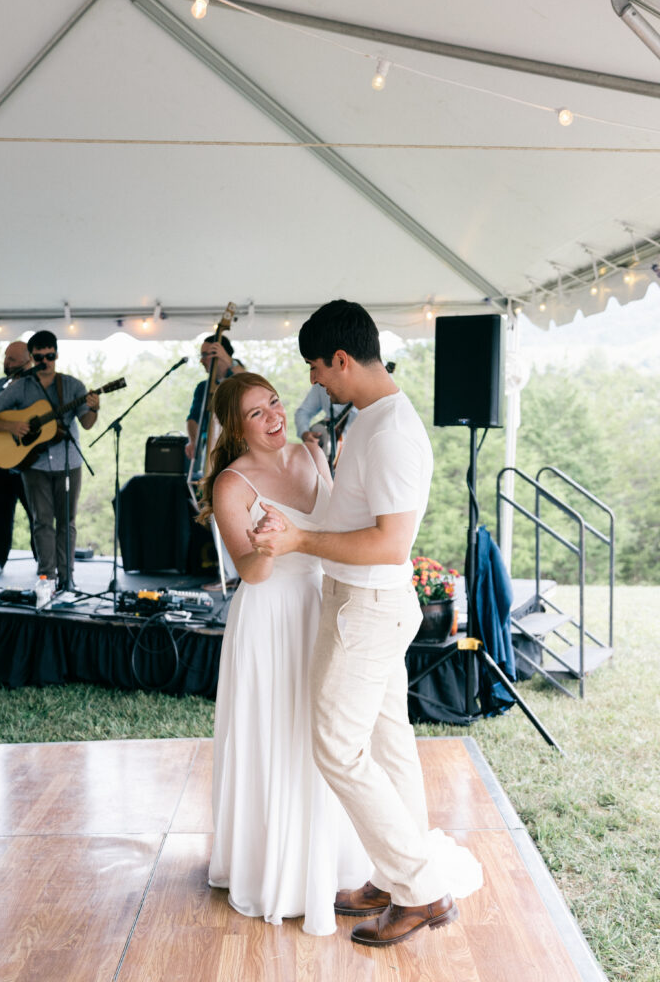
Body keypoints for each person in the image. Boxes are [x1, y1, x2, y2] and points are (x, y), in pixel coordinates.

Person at [251, 300, 482, 948]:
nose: (313, 381)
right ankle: (393, 875)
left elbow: (389, 544)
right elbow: (355, 518)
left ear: (342, 359)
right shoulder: (372, 419)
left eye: (317, 368)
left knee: (337, 748)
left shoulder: (392, 433)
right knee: (388, 746)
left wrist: (299, 541)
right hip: (367, 605)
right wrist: (300, 524)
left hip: (367, 608)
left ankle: (420, 891)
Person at [198, 371, 372, 935]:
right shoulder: (231, 486)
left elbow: (337, 529)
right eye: (257, 413)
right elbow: (249, 571)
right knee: (278, 732)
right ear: (237, 428)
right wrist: (269, 544)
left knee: (328, 732)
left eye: (274, 403)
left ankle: (334, 860)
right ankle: (277, 870)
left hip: (322, 603)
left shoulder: (311, 454)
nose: (274, 416)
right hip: (270, 618)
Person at [0, 330, 100, 590]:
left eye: (50, 356)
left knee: (66, 522)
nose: (45, 361)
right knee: (41, 522)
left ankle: (67, 579)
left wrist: (94, 407)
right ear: (32, 358)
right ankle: (46, 578)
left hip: (68, 463)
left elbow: (87, 423)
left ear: (57, 355)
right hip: (33, 464)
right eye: (40, 357)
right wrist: (12, 427)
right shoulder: (19, 387)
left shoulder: (72, 386)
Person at [0, 341, 36, 578]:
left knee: (36, 514)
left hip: (28, 461)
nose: (6, 362)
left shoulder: (36, 387)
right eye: (5, 357)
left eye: (12, 359)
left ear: (28, 361)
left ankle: (45, 562)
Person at [185, 334, 245, 462]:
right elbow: (193, 418)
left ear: (219, 354)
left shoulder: (240, 380)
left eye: (205, 355)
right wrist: (193, 441)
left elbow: (251, 385)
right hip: (212, 452)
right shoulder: (203, 387)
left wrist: (228, 361)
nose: (201, 361)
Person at [294, 382, 357, 451]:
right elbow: (303, 412)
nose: (312, 380)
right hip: (327, 448)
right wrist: (304, 433)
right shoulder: (320, 384)